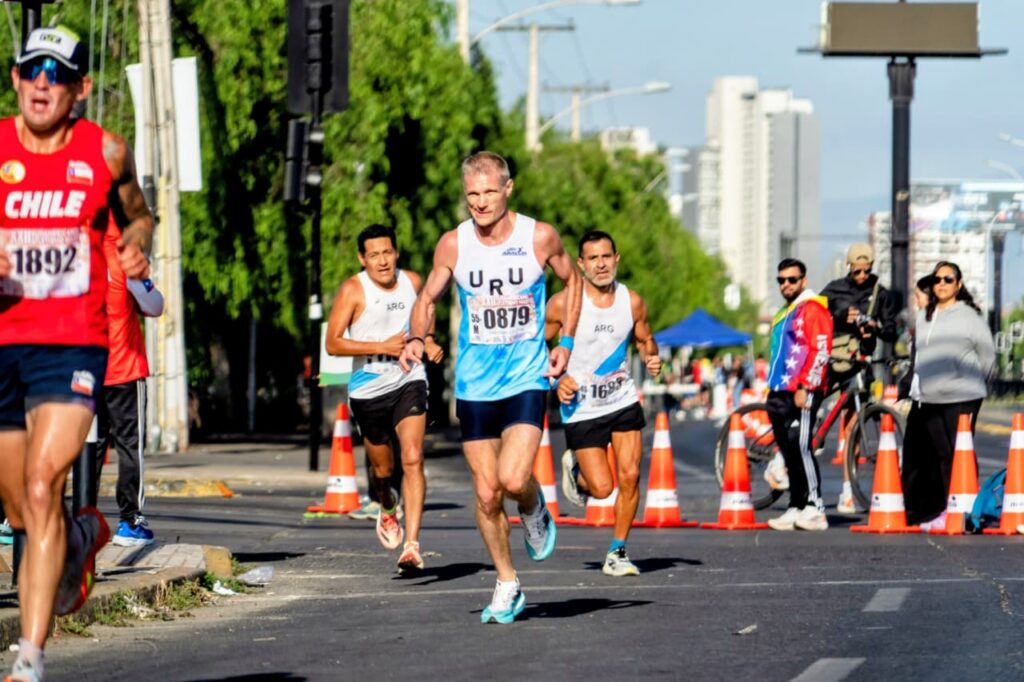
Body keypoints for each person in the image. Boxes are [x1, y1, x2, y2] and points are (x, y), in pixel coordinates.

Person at [0, 26, 154, 682]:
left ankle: (29, 658)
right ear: (15, 79)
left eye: (57, 73)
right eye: (32, 70)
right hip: (4, 340)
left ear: (80, 88)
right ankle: (83, 535)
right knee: (20, 509)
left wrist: (136, 243)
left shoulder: (106, 152)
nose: (43, 83)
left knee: (43, 484)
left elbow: (139, 212)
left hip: (72, 340)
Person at [399, 151, 581, 624]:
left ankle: (533, 505)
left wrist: (566, 342)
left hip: (525, 377)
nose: (480, 203)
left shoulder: (538, 237)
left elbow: (573, 281)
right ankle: (507, 583)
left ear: (508, 189)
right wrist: (417, 337)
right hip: (475, 385)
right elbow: (427, 298)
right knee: (485, 493)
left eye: (489, 192)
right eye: (472, 195)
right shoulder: (454, 244)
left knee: (513, 479)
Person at [325, 224, 443, 574]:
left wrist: (428, 339)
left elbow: (427, 312)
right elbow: (333, 343)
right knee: (383, 471)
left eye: (387, 252)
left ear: (396, 253)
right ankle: (388, 506)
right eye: (374, 255)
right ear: (362, 259)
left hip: (409, 379)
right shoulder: (353, 289)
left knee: (413, 457)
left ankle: (412, 544)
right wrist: (382, 346)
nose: (382, 261)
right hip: (368, 389)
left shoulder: (413, 281)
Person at [545, 230, 661, 576]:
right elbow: (533, 346)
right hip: (581, 407)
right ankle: (576, 470)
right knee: (602, 488)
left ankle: (617, 551)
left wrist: (652, 358)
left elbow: (645, 339)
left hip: (622, 399)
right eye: (593, 258)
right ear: (580, 264)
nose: (601, 264)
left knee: (631, 475)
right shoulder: (563, 304)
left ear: (616, 259)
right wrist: (556, 380)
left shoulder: (632, 301)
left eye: (606, 256)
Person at [902, 261, 995, 530]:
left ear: (958, 284)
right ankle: (948, 508)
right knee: (941, 457)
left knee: (960, 453)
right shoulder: (924, 317)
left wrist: (972, 382)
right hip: (931, 398)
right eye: (937, 279)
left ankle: (969, 511)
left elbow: (987, 357)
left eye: (948, 279)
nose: (941, 284)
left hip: (963, 396)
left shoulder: (970, 316)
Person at [96, 220, 164, 547]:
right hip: (125, 368)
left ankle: (82, 516)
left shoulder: (76, 252)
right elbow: (155, 305)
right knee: (128, 445)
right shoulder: (126, 255)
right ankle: (131, 520)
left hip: (86, 369)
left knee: (89, 448)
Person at [819, 243, 898, 513]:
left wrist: (874, 327)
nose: (862, 276)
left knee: (853, 425)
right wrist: (840, 316)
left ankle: (847, 491)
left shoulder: (881, 294)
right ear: (849, 267)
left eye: (867, 270)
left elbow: (891, 332)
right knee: (810, 405)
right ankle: (787, 455)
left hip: (860, 363)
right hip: (833, 360)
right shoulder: (834, 289)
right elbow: (814, 317)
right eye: (857, 271)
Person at [765, 259, 833, 532]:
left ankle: (816, 507)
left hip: (802, 390)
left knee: (802, 446)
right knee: (788, 450)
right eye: (781, 280)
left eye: (792, 279)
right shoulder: (785, 312)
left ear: (803, 281)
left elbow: (821, 349)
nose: (786, 284)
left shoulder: (813, 308)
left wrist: (806, 386)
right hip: (779, 391)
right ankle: (796, 505)